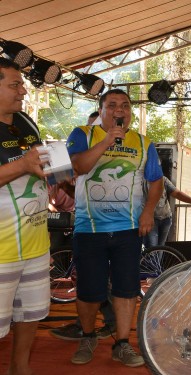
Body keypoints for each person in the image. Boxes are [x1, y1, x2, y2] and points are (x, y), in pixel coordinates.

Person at [66, 88, 163, 367]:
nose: (120, 110)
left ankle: (122, 343)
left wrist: (148, 212)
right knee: (88, 290)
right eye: (112, 106)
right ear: (102, 110)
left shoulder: (144, 143)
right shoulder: (82, 134)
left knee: (126, 289)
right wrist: (107, 141)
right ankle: (87, 336)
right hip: (89, 228)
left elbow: (155, 181)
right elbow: (77, 167)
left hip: (128, 229)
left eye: (125, 105)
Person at [0, 58, 50, 375]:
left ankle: (21, 369)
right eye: (14, 84)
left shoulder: (26, 122)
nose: (23, 91)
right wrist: (23, 165)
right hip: (1, 251)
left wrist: (61, 174)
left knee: (30, 315)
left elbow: (42, 163)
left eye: (22, 84)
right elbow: (25, 164)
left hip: (35, 244)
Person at [49, 113, 117, 342]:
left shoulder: (114, 151)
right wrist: (63, 181)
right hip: (81, 221)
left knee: (93, 276)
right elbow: (64, 186)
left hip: (103, 224)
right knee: (87, 275)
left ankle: (102, 323)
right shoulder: (71, 151)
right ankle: (98, 322)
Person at [143, 175, 191, 247]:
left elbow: (177, 193)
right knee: (151, 247)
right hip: (149, 220)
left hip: (165, 218)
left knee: (160, 248)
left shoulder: (162, 179)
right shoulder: (139, 181)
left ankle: (158, 258)